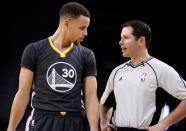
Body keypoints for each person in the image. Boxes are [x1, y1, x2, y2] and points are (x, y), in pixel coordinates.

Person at [7, 2, 99, 131]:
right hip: (42, 120)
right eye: (82, 28)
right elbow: (22, 94)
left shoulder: (87, 54)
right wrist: (10, 128)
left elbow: (91, 97)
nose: (86, 33)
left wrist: (94, 128)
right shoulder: (34, 50)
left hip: (75, 121)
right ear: (66, 23)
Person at [100, 20, 186, 131]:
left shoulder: (160, 69)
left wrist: (163, 125)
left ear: (141, 41)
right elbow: (105, 103)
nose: (120, 42)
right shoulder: (117, 71)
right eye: (121, 38)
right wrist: (104, 122)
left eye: (126, 38)